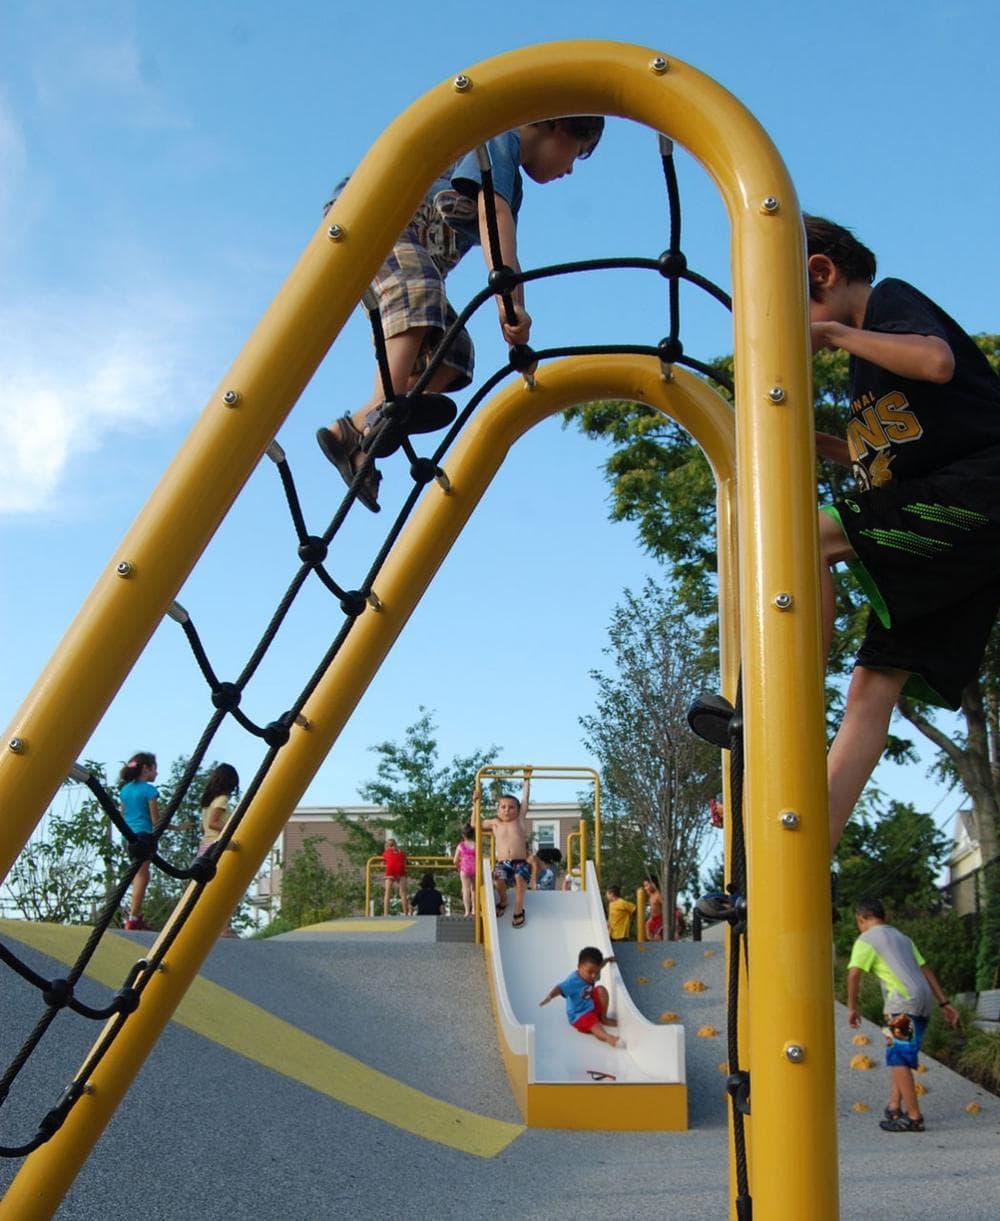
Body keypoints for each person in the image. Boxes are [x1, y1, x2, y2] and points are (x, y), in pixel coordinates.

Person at [807, 215, 1000, 851]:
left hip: (978, 494)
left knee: (808, 536)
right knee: (871, 688)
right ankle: (807, 857)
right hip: (947, 530)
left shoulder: (889, 303)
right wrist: (817, 444)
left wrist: (833, 332)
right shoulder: (867, 374)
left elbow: (937, 361)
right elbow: (878, 460)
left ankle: (790, 696)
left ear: (822, 273)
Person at [316, 117, 605, 511]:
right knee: (421, 290)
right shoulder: (498, 133)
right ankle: (387, 409)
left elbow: (506, 246)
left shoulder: (512, 187)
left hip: (410, 257)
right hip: (371, 220)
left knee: (454, 352)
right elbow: (492, 216)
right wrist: (510, 304)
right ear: (558, 126)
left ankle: (355, 434)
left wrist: (514, 313)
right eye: (579, 152)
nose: (570, 169)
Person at [846, 897, 959, 1132]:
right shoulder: (902, 938)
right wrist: (944, 1003)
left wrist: (852, 1007)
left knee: (898, 1058)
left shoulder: (867, 939)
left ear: (861, 919)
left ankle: (914, 1117)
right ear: (884, 917)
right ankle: (894, 1106)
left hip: (902, 1004)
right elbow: (925, 969)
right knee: (899, 1053)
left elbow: (854, 975)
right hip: (924, 1001)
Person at [539, 946, 623, 1049]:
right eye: (590, 972)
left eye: (596, 972)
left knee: (601, 990)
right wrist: (550, 996)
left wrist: (609, 959)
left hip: (590, 1005)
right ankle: (608, 1037)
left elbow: (601, 965)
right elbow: (560, 988)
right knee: (592, 1023)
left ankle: (603, 1018)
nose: (593, 976)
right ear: (579, 967)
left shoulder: (594, 971)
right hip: (579, 1015)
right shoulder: (573, 981)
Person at [480, 771, 531, 928]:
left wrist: (526, 780)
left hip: (520, 861)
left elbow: (525, 800)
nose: (507, 810)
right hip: (503, 862)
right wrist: (475, 802)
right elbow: (476, 824)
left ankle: (518, 908)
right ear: (497, 810)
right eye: (503, 807)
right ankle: (503, 900)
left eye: (511, 807)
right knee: (498, 877)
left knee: (520, 876)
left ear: (518, 810)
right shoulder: (496, 823)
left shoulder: (520, 820)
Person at [118, 752, 160, 931]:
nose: (156, 773)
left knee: (138, 873)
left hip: (129, 836)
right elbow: (155, 819)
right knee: (142, 875)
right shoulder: (149, 790)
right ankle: (133, 917)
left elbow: (122, 814)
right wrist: (172, 828)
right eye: (154, 769)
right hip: (144, 835)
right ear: (146, 769)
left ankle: (134, 914)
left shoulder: (125, 790)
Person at [197, 763, 239, 858]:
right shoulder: (222, 799)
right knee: (239, 847)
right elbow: (213, 823)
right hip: (216, 845)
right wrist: (233, 829)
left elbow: (203, 827)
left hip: (205, 846)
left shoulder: (208, 802)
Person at [453, 823, 477, 917]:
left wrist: (459, 867)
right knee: (474, 889)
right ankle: (474, 909)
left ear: (463, 835)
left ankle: (467, 911)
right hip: (475, 868)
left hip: (465, 868)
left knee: (465, 890)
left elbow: (455, 860)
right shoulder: (476, 845)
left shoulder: (461, 845)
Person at [381, 837, 408, 916]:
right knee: (403, 893)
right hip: (401, 871)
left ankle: (386, 914)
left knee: (387, 893)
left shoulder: (386, 852)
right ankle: (406, 913)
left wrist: (383, 864)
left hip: (390, 871)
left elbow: (383, 863)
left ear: (387, 846)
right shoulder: (402, 852)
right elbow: (405, 862)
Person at [644, 876, 664, 941]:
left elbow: (665, 907)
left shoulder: (658, 895)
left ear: (653, 884)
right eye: (644, 886)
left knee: (657, 937)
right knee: (648, 930)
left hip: (660, 919)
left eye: (646, 885)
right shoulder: (651, 895)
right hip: (653, 919)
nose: (645, 888)